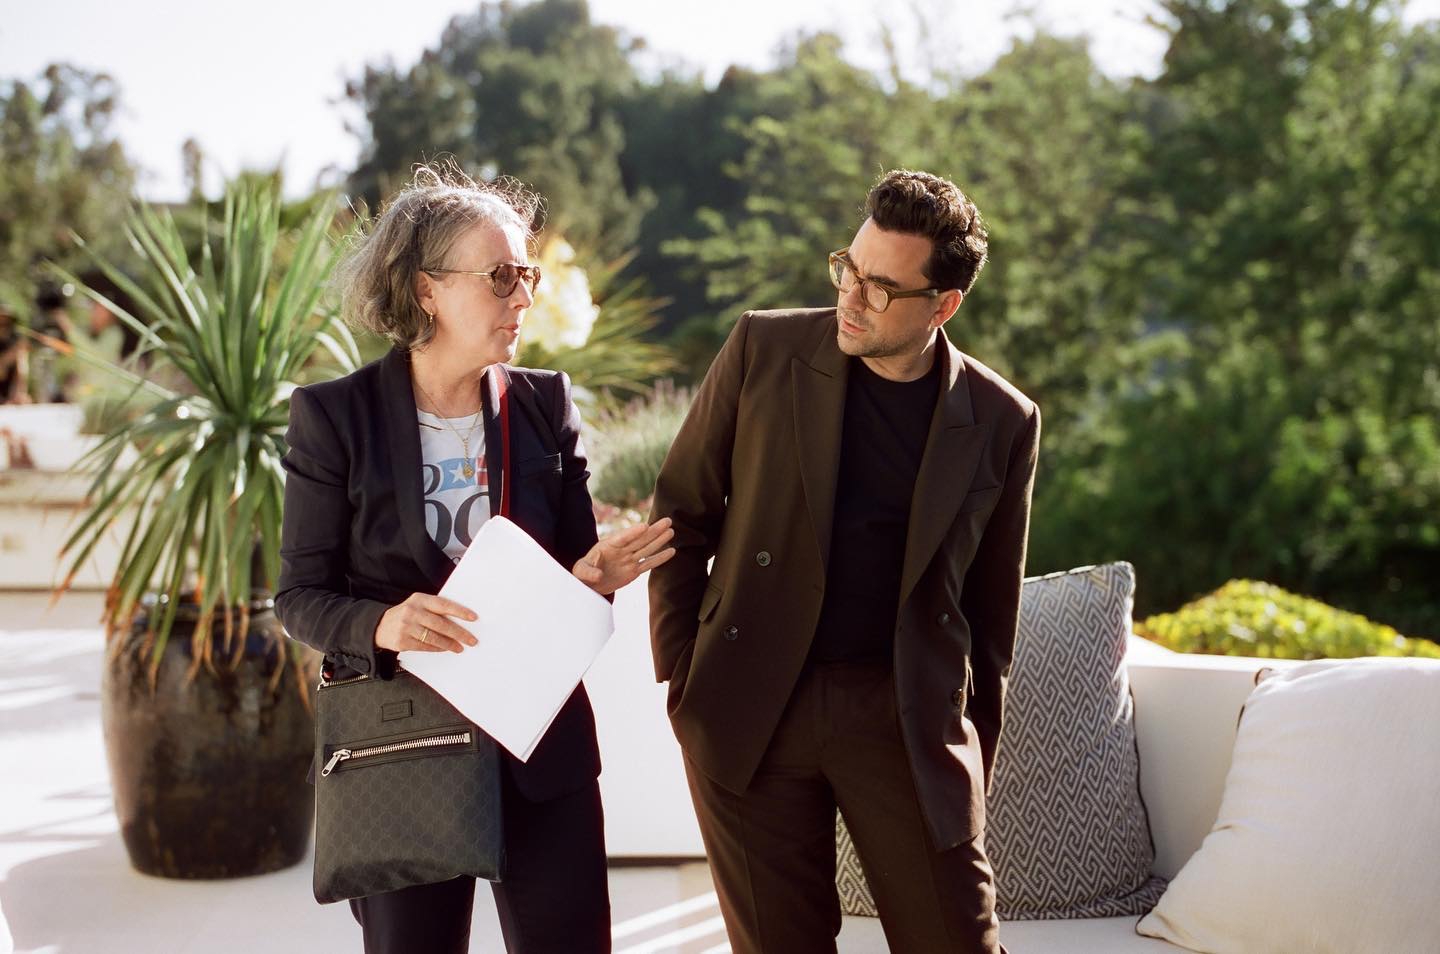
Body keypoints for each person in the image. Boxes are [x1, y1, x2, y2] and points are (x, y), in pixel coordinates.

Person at [276, 163, 674, 954]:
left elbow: (572, 568)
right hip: (403, 752)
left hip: (542, 750)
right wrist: (384, 624)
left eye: (526, 275)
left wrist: (591, 578)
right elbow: (300, 596)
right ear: (427, 290)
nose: (522, 297)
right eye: (500, 277)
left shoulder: (544, 403)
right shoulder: (335, 417)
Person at [648, 169, 1039, 954]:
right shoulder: (764, 347)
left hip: (901, 717)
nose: (851, 299)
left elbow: (991, 617)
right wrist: (683, 675)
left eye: (881, 288)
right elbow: (682, 511)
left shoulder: (1002, 419)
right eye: (848, 269)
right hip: (748, 703)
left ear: (943, 306)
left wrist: (967, 760)